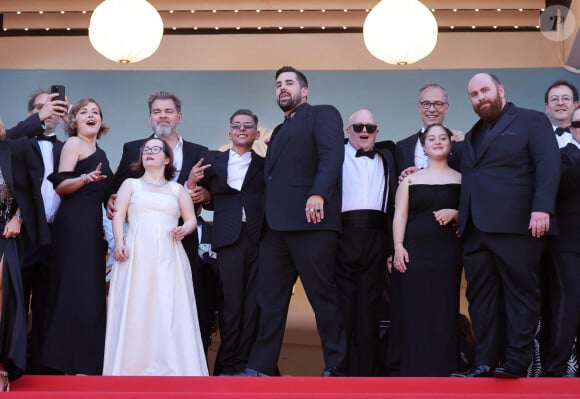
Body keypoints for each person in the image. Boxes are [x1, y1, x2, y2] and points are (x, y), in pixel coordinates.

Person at [239, 66, 347, 377]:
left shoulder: (323, 114)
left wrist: (319, 193)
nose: (282, 88)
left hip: (312, 222)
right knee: (269, 300)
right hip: (275, 230)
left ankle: (337, 365)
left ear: (305, 90)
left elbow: (331, 156)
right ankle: (260, 367)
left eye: (289, 83)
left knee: (323, 297)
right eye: (278, 85)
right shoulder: (279, 131)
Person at [452, 73, 560, 378]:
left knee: (520, 295)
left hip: (517, 226)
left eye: (485, 90)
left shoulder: (531, 121)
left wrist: (542, 208)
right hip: (475, 231)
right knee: (480, 298)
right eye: (474, 94)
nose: (480, 98)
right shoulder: (473, 134)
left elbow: (549, 164)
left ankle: (516, 362)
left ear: (500, 89)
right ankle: (484, 362)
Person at [107, 91, 214, 355]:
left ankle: (178, 360)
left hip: (180, 239)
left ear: (179, 117)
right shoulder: (133, 148)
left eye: (168, 111)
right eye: (157, 111)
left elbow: (211, 196)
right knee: (140, 301)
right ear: (150, 117)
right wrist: (112, 202)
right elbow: (114, 189)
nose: (162, 115)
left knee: (178, 301)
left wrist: (205, 194)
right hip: (140, 240)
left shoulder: (200, 152)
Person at [103, 138, 208, 376]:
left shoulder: (177, 189)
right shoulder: (130, 184)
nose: (149, 152)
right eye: (146, 150)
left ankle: (172, 367)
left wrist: (185, 229)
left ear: (167, 158)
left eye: (155, 149)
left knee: (168, 305)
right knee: (137, 303)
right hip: (135, 252)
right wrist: (118, 242)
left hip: (169, 253)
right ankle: (131, 367)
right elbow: (118, 216)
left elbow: (190, 218)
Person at [40, 98, 113, 375]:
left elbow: (106, 192)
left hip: (92, 228)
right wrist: (84, 179)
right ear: (74, 121)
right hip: (72, 226)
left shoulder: (101, 152)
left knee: (91, 292)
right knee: (74, 289)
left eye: (96, 111)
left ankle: (88, 362)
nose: (90, 115)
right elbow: (60, 185)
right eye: (84, 112)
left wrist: (113, 199)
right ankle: (65, 362)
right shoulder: (73, 144)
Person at [195, 109, 264, 375]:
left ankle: (247, 365)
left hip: (259, 238)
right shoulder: (213, 161)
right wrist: (205, 195)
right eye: (237, 125)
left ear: (257, 133)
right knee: (232, 304)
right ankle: (227, 365)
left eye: (248, 126)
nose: (242, 129)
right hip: (227, 238)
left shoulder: (265, 164)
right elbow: (204, 195)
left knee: (253, 305)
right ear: (230, 132)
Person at [392, 123, 462, 376]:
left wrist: (457, 214)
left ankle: (444, 371)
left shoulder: (462, 179)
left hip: (447, 255)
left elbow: (474, 214)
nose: (437, 141)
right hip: (415, 254)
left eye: (443, 137)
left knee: (444, 311)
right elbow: (400, 215)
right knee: (415, 311)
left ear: (451, 144)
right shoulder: (409, 178)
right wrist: (398, 247)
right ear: (423, 146)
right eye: (431, 138)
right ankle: (415, 373)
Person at [6, 89, 67, 374]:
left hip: (56, 236)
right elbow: (9, 138)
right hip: (20, 233)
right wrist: (36, 122)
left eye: (52, 108)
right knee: (17, 300)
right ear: (32, 113)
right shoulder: (16, 143)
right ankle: (14, 365)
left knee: (48, 304)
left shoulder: (67, 147)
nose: (47, 112)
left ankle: (43, 371)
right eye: (41, 107)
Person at [334, 109, 396, 376]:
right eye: (358, 126)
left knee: (370, 307)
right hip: (342, 235)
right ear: (348, 130)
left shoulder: (388, 156)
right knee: (342, 306)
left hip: (377, 237)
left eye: (370, 127)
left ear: (377, 132)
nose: (363, 131)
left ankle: (369, 374)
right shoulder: (333, 155)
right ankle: (340, 369)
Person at [535, 80, 580, 377]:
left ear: (575, 104)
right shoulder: (541, 142)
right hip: (562, 236)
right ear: (547, 107)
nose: (561, 103)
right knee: (565, 297)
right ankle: (555, 366)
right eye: (555, 99)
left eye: (567, 98)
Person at [0, 119, 27, 390]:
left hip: (4, 230)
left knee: (3, 296)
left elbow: (27, 193)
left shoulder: (10, 150)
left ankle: (1, 366)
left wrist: (18, 218)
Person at [394, 83, 464, 178]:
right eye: (426, 104)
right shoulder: (401, 147)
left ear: (446, 108)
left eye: (438, 104)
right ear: (419, 107)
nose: (431, 109)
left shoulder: (461, 143)